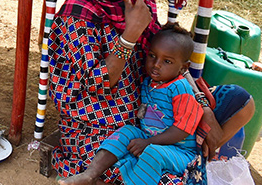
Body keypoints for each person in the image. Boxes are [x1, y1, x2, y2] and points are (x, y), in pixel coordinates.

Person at [48, 0, 255, 185]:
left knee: (240, 101)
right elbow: (99, 83)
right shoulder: (78, 17)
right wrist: (129, 35)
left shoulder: (139, 2)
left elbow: (172, 61)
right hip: (99, 124)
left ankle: (193, 154)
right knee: (142, 166)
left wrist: (202, 109)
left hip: (157, 106)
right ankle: (182, 161)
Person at [59, 24, 202, 185]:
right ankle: (90, 174)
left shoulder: (180, 88)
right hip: (151, 139)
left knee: (153, 153)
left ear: (183, 67)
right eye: (152, 56)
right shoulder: (149, 82)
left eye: (167, 61)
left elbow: (182, 130)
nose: (156, 64)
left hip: (180, 151)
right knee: (127, 131)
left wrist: (148, 143)